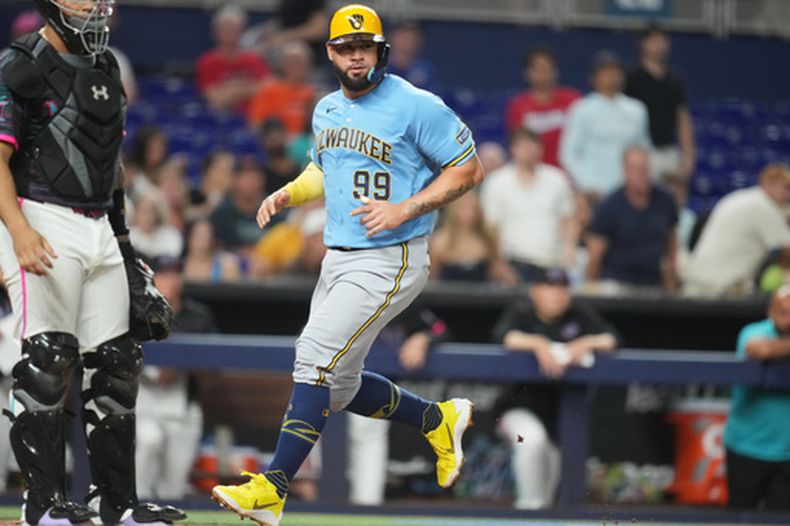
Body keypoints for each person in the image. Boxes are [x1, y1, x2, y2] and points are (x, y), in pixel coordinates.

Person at [211, 5, 483, 526]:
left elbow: (469, 169)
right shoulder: (327, 109)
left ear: (380, 51)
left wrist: (407, 206)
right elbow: (324, 166)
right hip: (338, 256)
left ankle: (273, 488)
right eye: (345, 47)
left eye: (365, 47)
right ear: (331, 52)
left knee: (313, 356)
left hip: (392, 255)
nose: (356, 56)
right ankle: (437, 419)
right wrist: (291, 193)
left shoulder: (414, 104)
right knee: (336, 386)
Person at [0, 2, 185, 525]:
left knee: (118, 364)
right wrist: (18, 231)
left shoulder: (104, 67)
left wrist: (125, 248)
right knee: (48, 362)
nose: (95, 6)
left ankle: (117, 505)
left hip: (100, 224)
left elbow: (111, 164)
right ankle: (43, 506)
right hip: (38, 214)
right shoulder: (20, 63)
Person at [492, 267, 618, 509]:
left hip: (561, 416)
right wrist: (538, 344)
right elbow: (504, 336)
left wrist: (588, 342)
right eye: (550, 288)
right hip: (516, 409)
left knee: (549, 497)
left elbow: (612, 338)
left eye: (563, 289)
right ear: (536, 291)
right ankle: (527, 516)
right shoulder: (522, 312)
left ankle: (537, 516)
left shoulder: (578, 314)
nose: (557, 295)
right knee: (531, 440)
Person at [136, 256, 215, 500]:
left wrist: (183, 365)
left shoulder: (197, 316)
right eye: (163, 274)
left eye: (174, 274)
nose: (170, 281)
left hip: (183, 408)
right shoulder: (137, 313)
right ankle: (136, 507)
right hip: (142, 404)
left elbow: (216, 366)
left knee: (173, 489)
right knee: (149, 440)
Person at [723, 287, 790, 510]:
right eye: (783, 312)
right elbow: (759, 349)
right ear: (771, 312)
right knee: (739, 518)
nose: (789, 320)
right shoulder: (753, 331)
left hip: (787, 454)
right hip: (747, 447)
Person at [481, 129, 578, 281]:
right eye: (522, 146)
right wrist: (497, 263)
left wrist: (570, 247)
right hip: (514, 263)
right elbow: (491, 227)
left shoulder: (557, 179)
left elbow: (568, 219)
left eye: (532, 145)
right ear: (513, 149)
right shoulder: (497, 182)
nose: (528, 151)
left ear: (540, 149)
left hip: (552, 261)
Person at [684, 164, 790, 296]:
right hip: (716, 289)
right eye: (784, 187)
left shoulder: (742, 197)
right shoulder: (763, 205)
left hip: (699, 282)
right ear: (767, 184)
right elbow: (787, 252)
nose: (787, 195)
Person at [560, 51, 651, 201]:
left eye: (616, 72)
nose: (611, 77)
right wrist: (587, 185)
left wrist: (637, 183)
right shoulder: (581, 109)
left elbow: (644, 149)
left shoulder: (637, 110)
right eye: (606, 73)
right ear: (594, 78)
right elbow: (568, 153)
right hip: (593, 190)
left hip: (628, 191)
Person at [586, 146, 678, 291]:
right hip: (616, 283)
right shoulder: (609, 206)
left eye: (645, 169)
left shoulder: (665, 201)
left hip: (653, 283)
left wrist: (671, 278)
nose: (642, 174)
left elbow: (671, 240)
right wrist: (591, 290)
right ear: (625, 172)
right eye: (636, 169)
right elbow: (595, 254)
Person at [625, 24, 695, 181]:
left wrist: (688, 156)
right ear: (642, 44)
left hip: (668, 151)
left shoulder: (674, 80)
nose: (659, 44)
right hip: (640, 151)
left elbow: (682, 118)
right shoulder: (631, 79)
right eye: (653, 40)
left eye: (662, 40)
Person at [505, 46, 580, 169]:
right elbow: (517, 145)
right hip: (535, 173)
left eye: (546, 67)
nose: (543, 73)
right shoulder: (518, 106)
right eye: (537, 68)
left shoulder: (572, 100)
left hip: (570, 171)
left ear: (555, 71)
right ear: (527, 73)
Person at [430, 191, 517, 284]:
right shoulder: (440, 242)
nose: (469, 213)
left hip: (481, 296)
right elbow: (432, 277)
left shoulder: (487, 240)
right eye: (463, 208)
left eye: (473, 208)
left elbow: (497, 269)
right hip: (444, 296)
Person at [196, 6, 270, 114]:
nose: (230, 34)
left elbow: (267, 89)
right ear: (216, 32)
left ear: (241, 32)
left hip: (253, 117)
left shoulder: (253, 60)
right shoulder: (207, 62)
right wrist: (248, 88)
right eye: (226, 30)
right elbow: (216, 99)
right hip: (221, 120)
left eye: (234, 30)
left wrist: (231, 91)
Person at [247, 41, 316, 136]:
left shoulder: (314, 94)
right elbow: (256, 125)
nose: (297, 68)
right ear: (283, 65)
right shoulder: (269, 91)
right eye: (292, 63)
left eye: (300, 63)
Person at [386, 22, 438, 91]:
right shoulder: (378, 68)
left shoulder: (424, 69)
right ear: (392, 38)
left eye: (414, 37)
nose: (409, 43)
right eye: (404, 37)